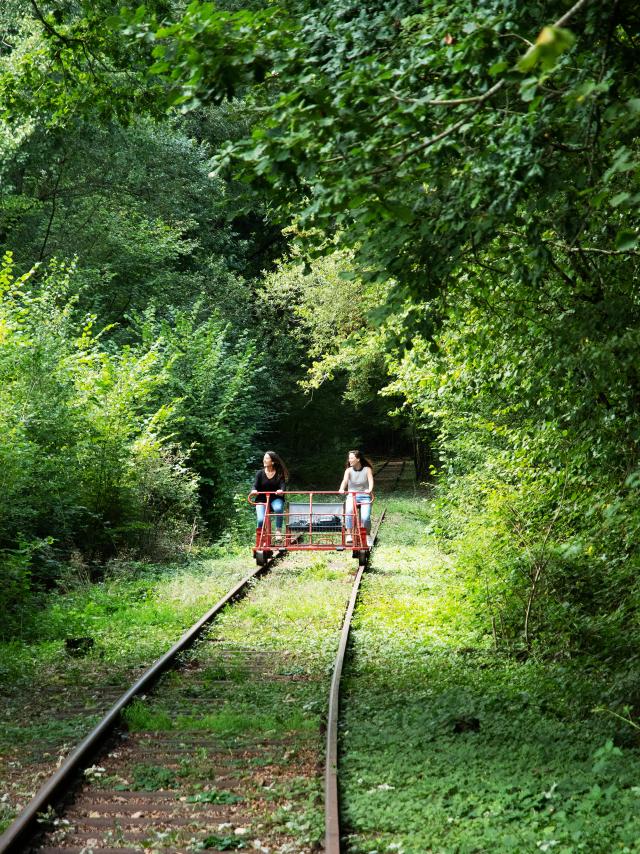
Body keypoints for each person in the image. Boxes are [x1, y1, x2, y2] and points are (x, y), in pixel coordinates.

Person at [250, 451, 289, 542]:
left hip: (276, 498)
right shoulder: (259, 473)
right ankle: (260, 538)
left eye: (267, 458)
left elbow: (283, 486)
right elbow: (255, 485)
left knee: (278, 508)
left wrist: (281, 491)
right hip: (261, 499)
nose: (264, 460)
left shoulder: (279, 474)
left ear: (273, 462)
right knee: (260, 520)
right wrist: (254, 490)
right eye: (264, 458)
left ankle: (278, 531)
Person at [339, 449, 374, 544]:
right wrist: (341, 489)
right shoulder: (348, 470)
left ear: (358, 459)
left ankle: (367, 535)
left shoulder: (367, 469)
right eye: (349, 458)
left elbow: (371, 481)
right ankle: (349, 534)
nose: (349, 460)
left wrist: (369, 490)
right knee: (349, 512)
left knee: (365, 517)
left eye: (351, 458)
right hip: (352, 496)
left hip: (365, 496)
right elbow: (345, 481)